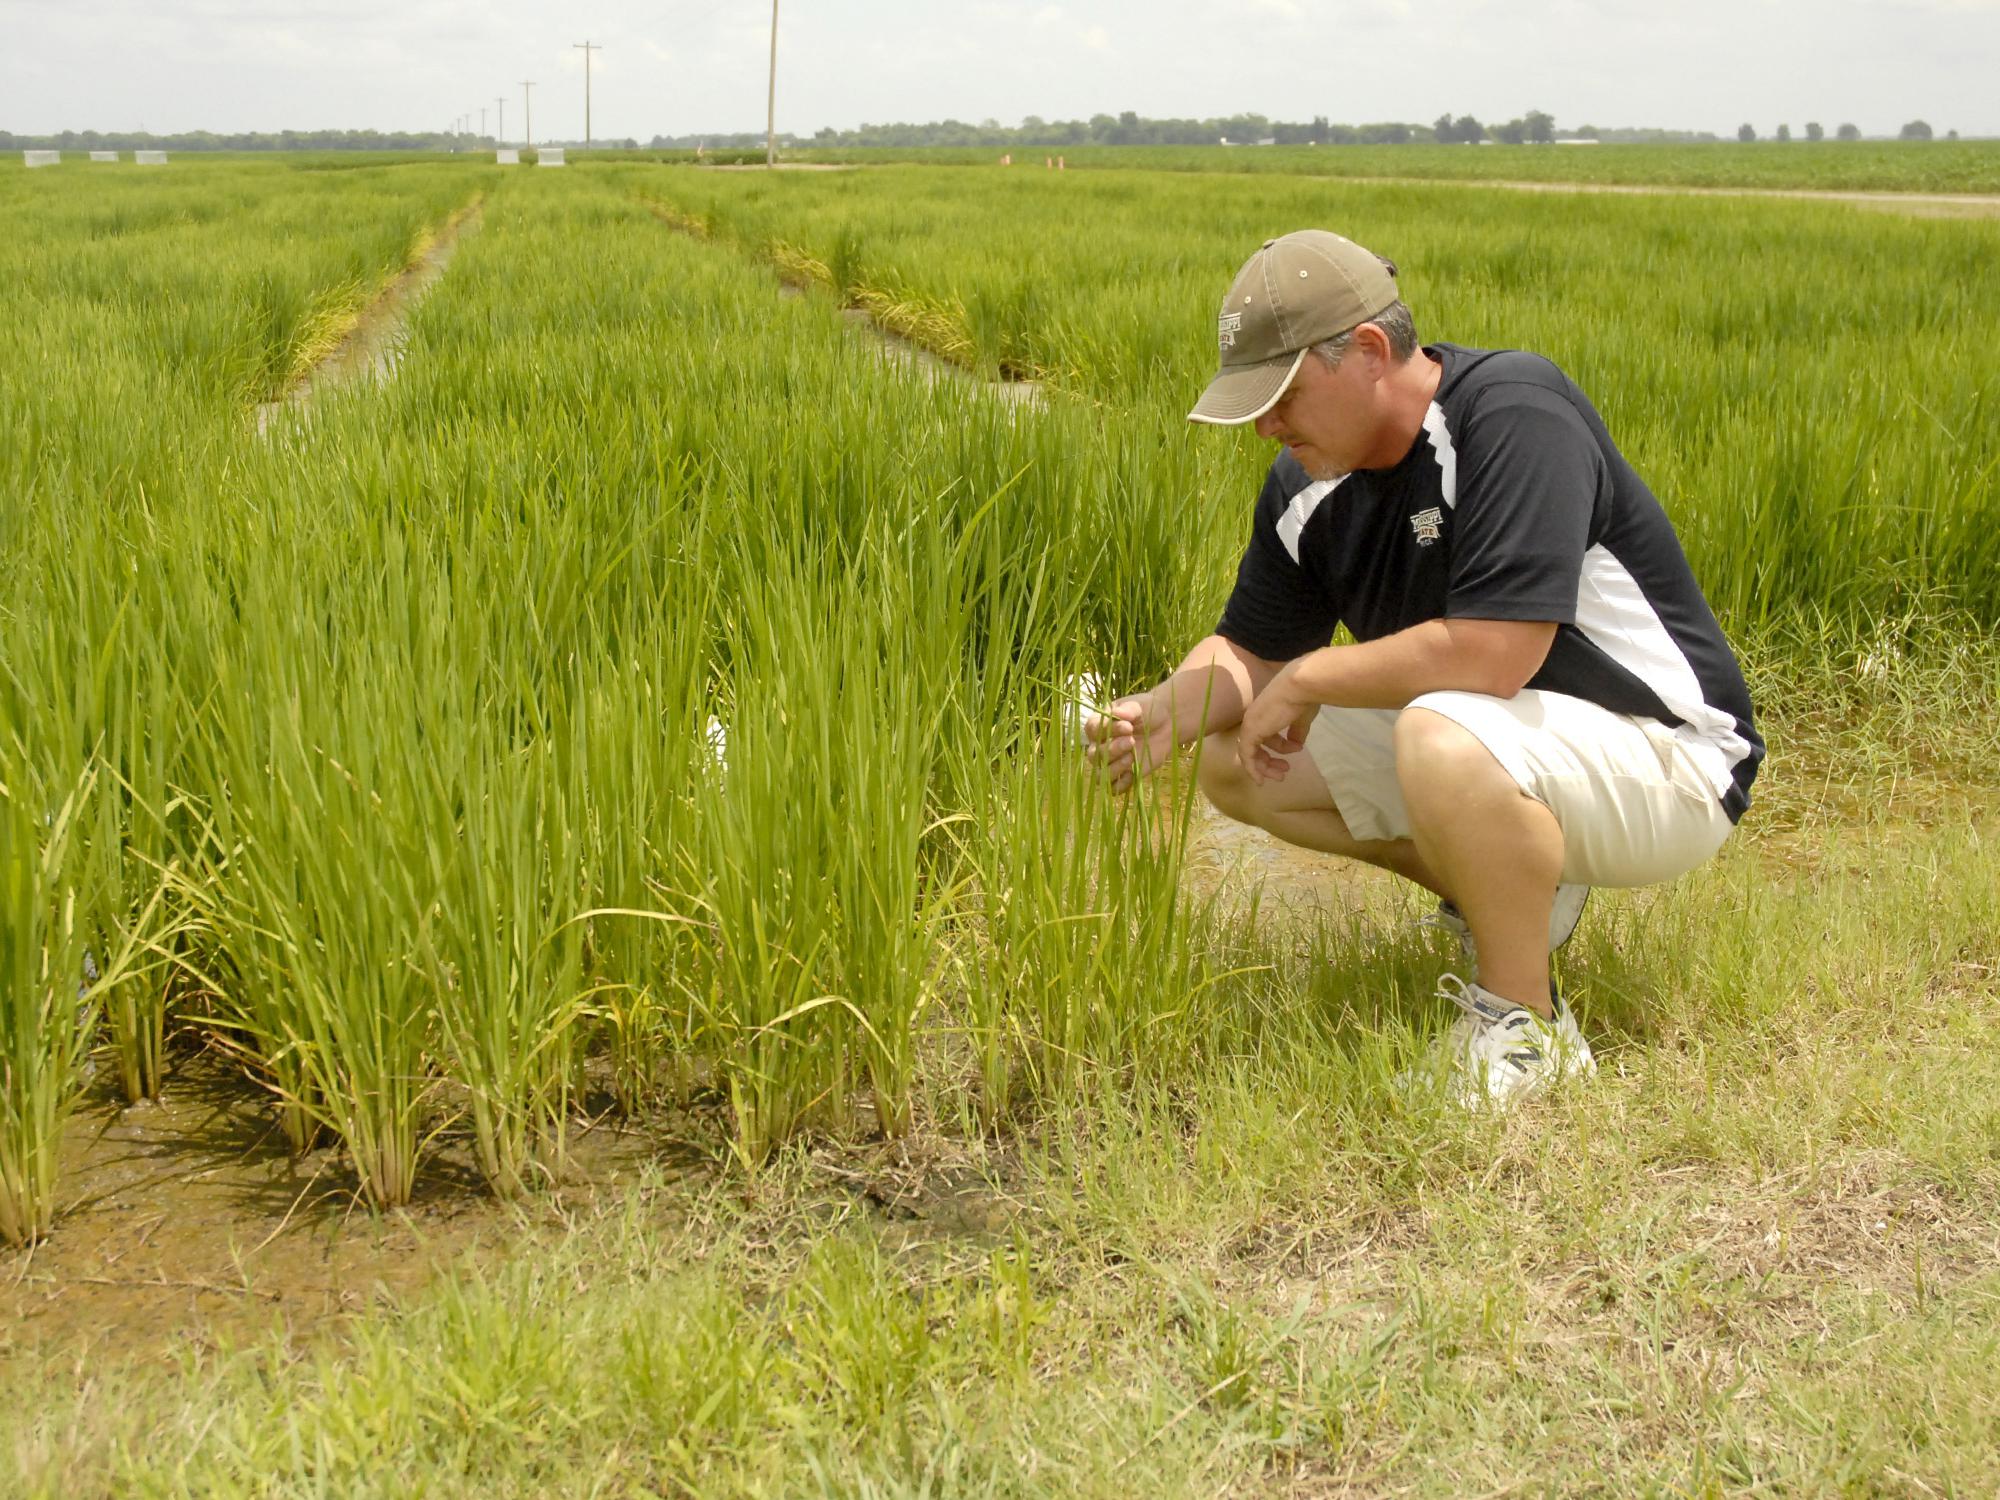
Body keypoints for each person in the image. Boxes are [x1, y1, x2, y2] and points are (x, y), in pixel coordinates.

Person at [1082, 230, 1763, 1107]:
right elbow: (1252, 647)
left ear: (1368, 352)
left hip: (1674, 760)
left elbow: (1494, 651)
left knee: (1438, 734)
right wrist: (1165, 709)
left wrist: (1310, 679)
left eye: (1281, 393)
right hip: (1523, 741)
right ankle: (1515, 892)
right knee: (1236, 761)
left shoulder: (1514, 413)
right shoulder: (1303, 486)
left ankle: (1524, 1032)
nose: (1265, 424)